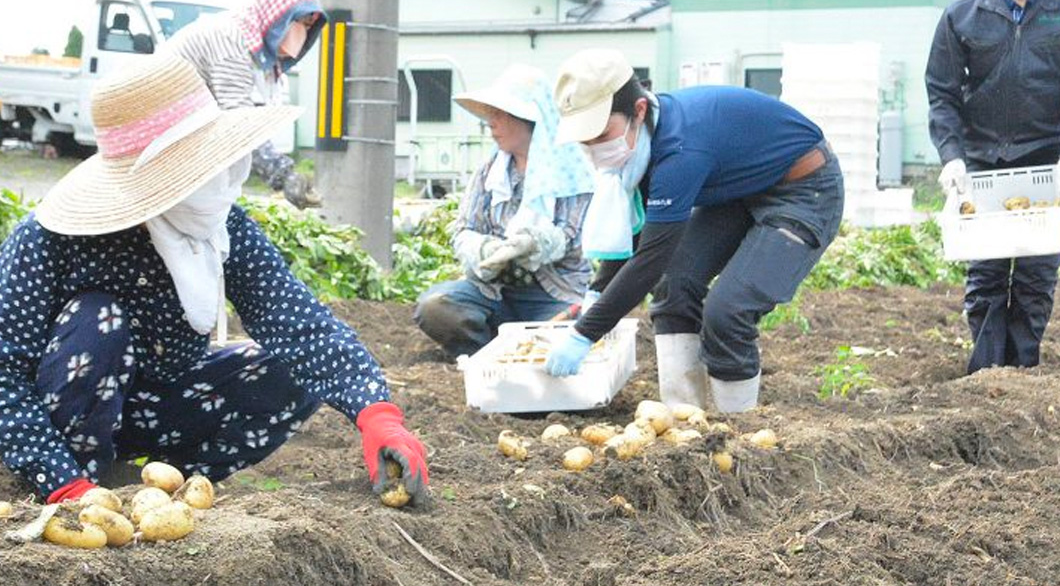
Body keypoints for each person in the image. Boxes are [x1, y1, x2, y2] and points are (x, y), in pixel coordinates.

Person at [0, 54, 428, 505]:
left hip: (158, 406)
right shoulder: (51, 239)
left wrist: (376, 413)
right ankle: (85, 479)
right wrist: (58, 476)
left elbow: (297, 321)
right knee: (98, 318)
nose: (208, 183)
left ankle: (163, 484)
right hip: (64, 418)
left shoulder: (221, 225)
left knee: (293, 369)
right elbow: (4, 371)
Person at [543, 49, 844, 414]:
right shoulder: (642, 146)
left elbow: (652, 258)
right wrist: (598, 290)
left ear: (638, 110)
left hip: (803, 189)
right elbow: (641, 237)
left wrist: (584, 333)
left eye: (601, 134)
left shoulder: (680, 151)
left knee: (728, 310)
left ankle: (738, 427)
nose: (594, 149)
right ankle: (685, 419)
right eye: (585, 141)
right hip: (739, 191)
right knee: (674, 285)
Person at [927, 0, 1060, 374]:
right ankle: (986, 377)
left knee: (1036, 277)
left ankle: (1021, 374)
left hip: (1047, 161)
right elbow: (942, 94)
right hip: (982, 164)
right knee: (985, 275)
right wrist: (951, 156)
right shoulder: (964, 15)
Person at [414, 64, 596, 357]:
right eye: (490, 115)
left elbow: (571, 236)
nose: (491, 124)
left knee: (575, 329)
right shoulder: (491, 172)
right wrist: (484, 251)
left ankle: (525, 350)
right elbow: (464, 228)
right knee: (435, 307)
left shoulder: (571, 171)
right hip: (495, 292)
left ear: (528, 119)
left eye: (499, 114)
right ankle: (485, 354)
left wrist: (531, 243)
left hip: (554, 295)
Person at [163, 0, 324, 209]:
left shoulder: (259, 56)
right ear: (274, 15)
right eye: (296, 21)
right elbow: (238, 123)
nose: (300, 32)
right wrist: (284, 175)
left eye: (308, 25)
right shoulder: (230, 41)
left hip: (194, 163)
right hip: (167, 160)